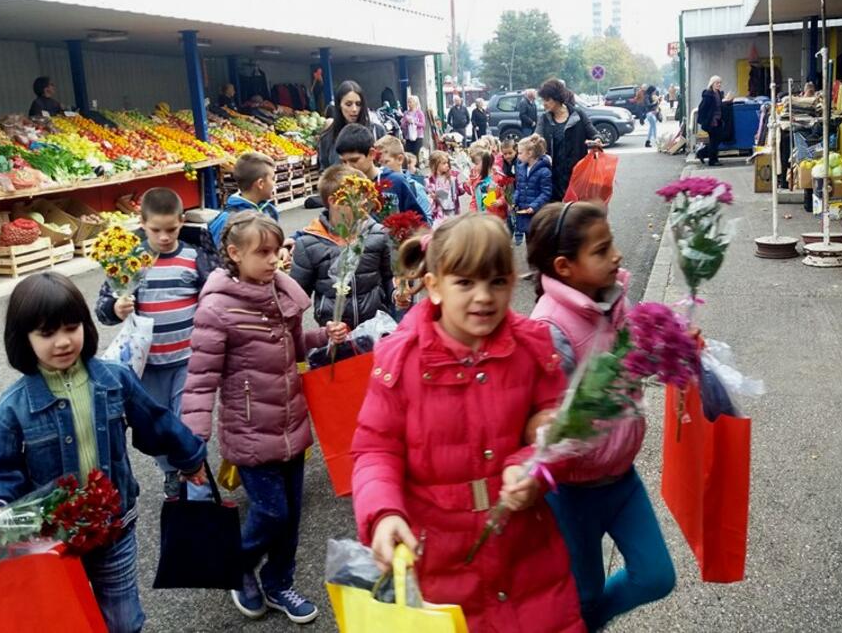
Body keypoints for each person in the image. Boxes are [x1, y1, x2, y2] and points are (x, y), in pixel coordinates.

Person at [351, 214, 585, 633]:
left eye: (497, 282)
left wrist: (534, 466)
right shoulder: (400, 361)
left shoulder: (533, 348)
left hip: (526, 556)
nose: (484, 297)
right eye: (465, 282)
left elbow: (559, 429)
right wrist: (383, 514)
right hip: (438, 563)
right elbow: (375, 449)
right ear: (434, 285)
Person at [0, 272, 207, 632]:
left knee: (124, 620)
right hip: (50, 538)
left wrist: (189, 458)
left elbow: (156, 422)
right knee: (64, 616)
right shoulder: (11, 408)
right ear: (23, 339)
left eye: (71, 327)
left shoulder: (114, 379)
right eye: (46, 334)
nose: (63, 342)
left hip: (114, 527)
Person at [182, 213, 347, 624]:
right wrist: (191, 443)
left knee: (290, 518)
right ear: (234, 254)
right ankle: (238, 564)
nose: (274, 260)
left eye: (277, 251)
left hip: (292, 424)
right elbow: (201, 378)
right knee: (271, 513)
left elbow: (294, 351)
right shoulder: (217, 308)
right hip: (251, 430)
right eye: (263, 253)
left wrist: (324, 337)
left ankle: (278, 582)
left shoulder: (281, 294)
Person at [526, 202, 675, 630]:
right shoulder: (548, 329)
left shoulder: (611, 299)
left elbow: (632, 363)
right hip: (572, 493)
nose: (617, 256)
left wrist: (672, 349)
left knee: (655, 577)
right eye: (602, 249)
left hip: (621, 478)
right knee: (584, 594)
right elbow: (552, 424)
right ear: (564, 266)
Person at [96, 187, 218, 498]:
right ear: (142, 223)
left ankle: (194, 481)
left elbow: (214, 296)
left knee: (187, 422)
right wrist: (116, 307)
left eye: (171, 229)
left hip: (189, 358)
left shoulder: (195, 257)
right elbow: (104, 309)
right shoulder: (130, 261)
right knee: (157, 425)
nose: (164, 237)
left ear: (182, 221)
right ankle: (170, 471)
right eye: (155, 230)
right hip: (147, 363)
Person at [290, 165, 395, 328]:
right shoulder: (309, 244)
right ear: (334, 201)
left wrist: (396, 295)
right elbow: (295, 299)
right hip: (334, 334)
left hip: (376, 328)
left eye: (365, 197)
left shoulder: (378, 235)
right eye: (357, 197)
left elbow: (389, 277)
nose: (364, 202)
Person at [335, 123, 428, 221]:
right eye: (344, 162)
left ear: (371, 154)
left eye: (354, 160)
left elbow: (420, 224)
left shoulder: (396, 182)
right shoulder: (345, 189)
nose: (348, 167)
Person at [535, 78, 604, 201]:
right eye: (542, 100)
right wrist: (532, 141)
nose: (544, 103)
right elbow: (537, 136)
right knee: (557, 214)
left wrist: (597, 140)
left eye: (547, 100)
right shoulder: (544, 119)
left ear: (557, 98)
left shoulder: (578, 114)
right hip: (553, 176)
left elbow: (594, 134)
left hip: (577, 173)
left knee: (576, 211)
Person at [208, 151, 280, 248]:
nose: (274, 183)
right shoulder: (226, 220)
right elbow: (215, 257)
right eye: (273, 178)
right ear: (260, 183)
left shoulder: (270, 211)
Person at [316, 80, 385, 171]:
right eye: (348, 104)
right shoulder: (327, 138)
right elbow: (324, 173)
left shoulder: (377, 132)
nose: (354, 109)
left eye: (358, 104)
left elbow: (388, 166)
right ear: (339, 105)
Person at [375, 135, 433, 223]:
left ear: (400, 159)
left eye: (386, 162)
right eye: (379, 164)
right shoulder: (378, 183)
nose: (382, 168)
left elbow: (427, 222)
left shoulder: (415, 187)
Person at [513, 135, 552, 242]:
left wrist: (534, 206)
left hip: (536, 213)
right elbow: (518, 188)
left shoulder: (544, 171)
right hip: (523, 211)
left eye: (520, 153)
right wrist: (515, 200)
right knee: (528, 240)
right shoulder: (521, 169)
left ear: (530, 153)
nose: (518, 156)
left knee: (537, 241)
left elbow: (546, 193)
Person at [427, 150, 467, 226]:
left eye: (447, 163)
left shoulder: (452, 178)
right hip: (438, 212)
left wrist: (465, 185)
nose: (447, 165)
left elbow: (458, 190)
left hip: (452, 210)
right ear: (435, 165)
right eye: (444, 163)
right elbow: (429, 194)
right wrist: (433, 196)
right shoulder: (429, 179)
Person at [696, 76, 729, 167]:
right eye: (717, 83)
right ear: (712, 84)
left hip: (718, 120)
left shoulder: (718, 93)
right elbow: (702, 108)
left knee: (716, 140)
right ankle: (712, 160)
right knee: (715, 140)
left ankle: (703, 154)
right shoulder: (708, 95)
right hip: (711, 122)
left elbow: (719, 106)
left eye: (720, 83)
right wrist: (705, 120)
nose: (719, 85)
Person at [468, 144, 494, 213]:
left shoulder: (493, 181)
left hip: (491, 217)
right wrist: (472, 210)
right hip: (480, 216)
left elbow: (492, 202)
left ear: (485, 163)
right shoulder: (478, 180)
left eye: (476, 164)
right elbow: (475, 198)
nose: (474, 167)